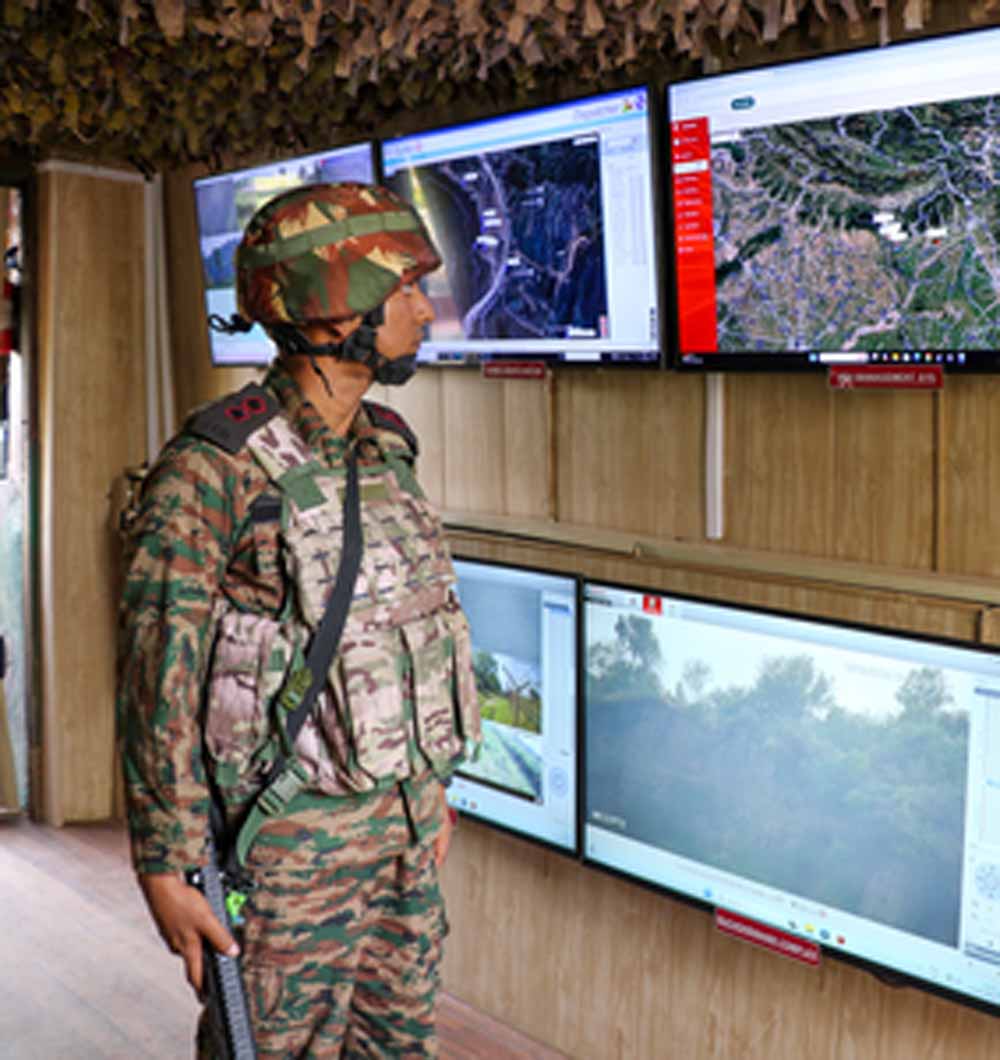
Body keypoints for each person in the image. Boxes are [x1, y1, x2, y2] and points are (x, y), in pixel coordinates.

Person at [116, 182, 481, 1058]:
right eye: (403, 288)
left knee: (397, 1048)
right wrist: (166, 863)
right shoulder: (213, 469)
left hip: (401, 840)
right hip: (285, 856)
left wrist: (425, 790)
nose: (424, 310)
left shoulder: (385, 447)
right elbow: (159, 680)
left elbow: (400, 624)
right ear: (331, 306)